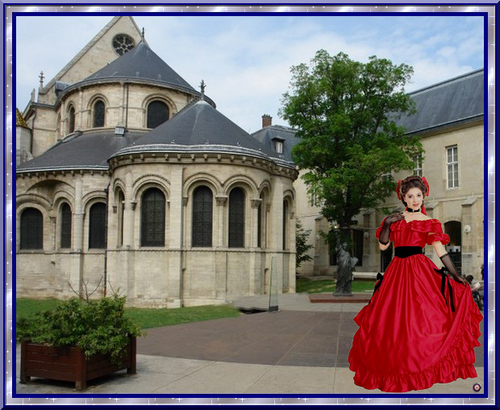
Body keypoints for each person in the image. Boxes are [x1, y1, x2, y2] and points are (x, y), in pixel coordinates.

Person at [348, 175, 483, 392]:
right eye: (410, 196)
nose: (415, 200)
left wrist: (456, 275)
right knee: (391, 322)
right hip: (397, 271)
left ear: (423, 196)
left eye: (418, 195)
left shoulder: (429, 222)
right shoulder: (394, 220)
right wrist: (387, 226)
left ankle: (422, 363)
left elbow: (441, 252)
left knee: (422, 320)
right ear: (403, 197)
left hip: (420, 271)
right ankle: (396, 364)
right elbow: (383, 247)